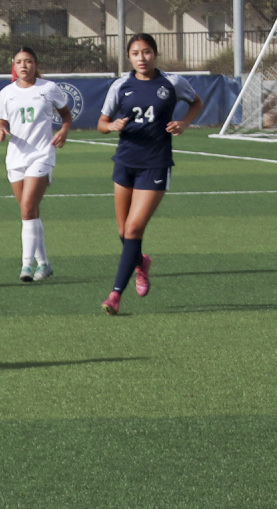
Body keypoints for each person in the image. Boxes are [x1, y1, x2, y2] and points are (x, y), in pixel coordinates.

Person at [97, 33, 203, 315]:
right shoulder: (121, 85)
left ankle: (115, 295)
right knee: (123, 232)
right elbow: (101, 123)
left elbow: (196, 103)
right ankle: (140, 263)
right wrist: (112, 126)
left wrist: (184, 123)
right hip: (124, 163)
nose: (141, 58)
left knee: (132, 229)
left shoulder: (172, 82)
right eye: (135, 53)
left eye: (146, 52)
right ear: (129, 57)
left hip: (155, 164)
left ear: (155, 54)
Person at [0, 46, 72, 282]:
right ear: (14, 66)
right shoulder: (6, 92)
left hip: (41, 154)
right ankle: (45, 264)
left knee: (28, 208)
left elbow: (66, 115)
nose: (23, 66)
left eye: (28, 61)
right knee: (30, 213)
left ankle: (26, 266)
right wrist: (0, 129)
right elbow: (0, 120)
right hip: (16, 156)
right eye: (19, 62)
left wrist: (64, 131)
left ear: (36, 65)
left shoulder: (48, 88)